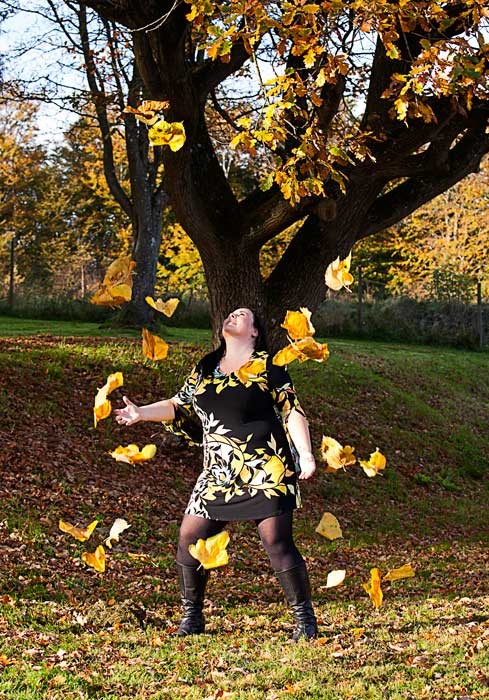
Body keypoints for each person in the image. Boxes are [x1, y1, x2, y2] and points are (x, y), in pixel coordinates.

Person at [115, 307, 317, 640]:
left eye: (242, 315)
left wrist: (305, 454)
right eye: (231, 314)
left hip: (266, 467)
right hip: (218, 473)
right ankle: (192, 618)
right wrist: (141, 413)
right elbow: (177, 405)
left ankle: (304, 621)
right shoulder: (205, 367)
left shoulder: (268, 365)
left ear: (255, 331)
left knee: (276, 541)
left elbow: (291, 410)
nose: (233, 317)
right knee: (189, 538)